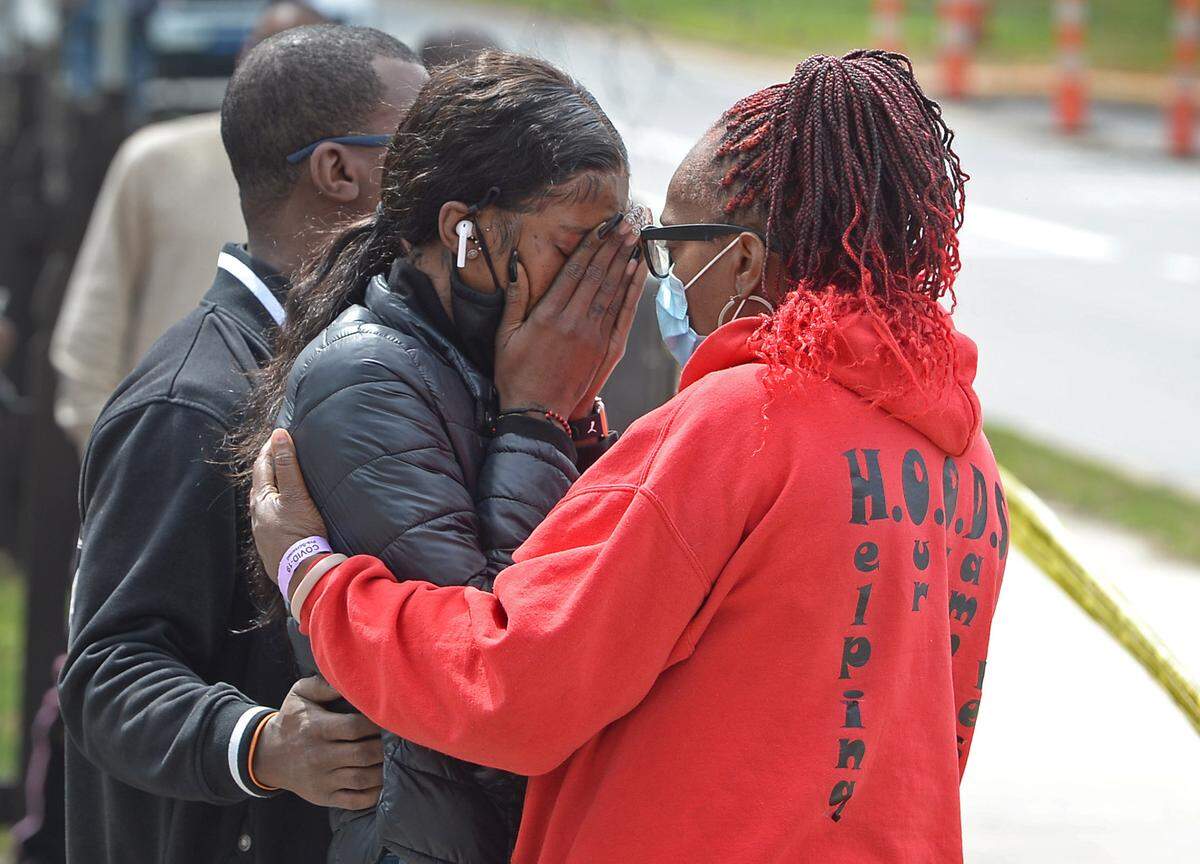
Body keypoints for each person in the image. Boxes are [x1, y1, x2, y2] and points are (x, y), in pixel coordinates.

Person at [251, 51, 1008, 863]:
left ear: (744, 262)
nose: (653, 279)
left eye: (671, 245)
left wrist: (314, 574)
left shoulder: (740, 423)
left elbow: (511, 690)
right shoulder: (966, 459)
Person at [233, 51, 643, 864]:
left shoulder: (489, 362)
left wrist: (561, 420)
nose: (606, 278)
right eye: (576, 245)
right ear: (465, 232)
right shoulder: (368, 377)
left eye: (619, 243)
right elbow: (486, 682)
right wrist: (536, 421)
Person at [57, 24, 428, 864]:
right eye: (420, 149)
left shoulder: (331, 361)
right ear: (340, 172)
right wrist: (264, 745)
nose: (447, 186)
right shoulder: (191, 400)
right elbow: (107, 673)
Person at [49, 1, 329, 453]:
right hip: (153, 461)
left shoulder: (353, 183)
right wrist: (121, 465)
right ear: (241, 59)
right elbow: (87, 344)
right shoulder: (153, 161)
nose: (281, 78)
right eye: (265, 55)